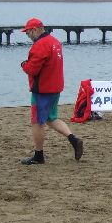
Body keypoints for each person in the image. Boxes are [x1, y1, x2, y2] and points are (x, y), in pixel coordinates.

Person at [19, 18, 84, 164]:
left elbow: (32, 69)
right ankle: (73, 139)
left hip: (42, 89)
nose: (28, 36)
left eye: (28, 33)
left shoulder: (40, 45)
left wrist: (23, 65)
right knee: (51, 118)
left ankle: (39, 155)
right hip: (55, 86)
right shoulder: (54, 41)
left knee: (37, 122)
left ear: (34, 30)